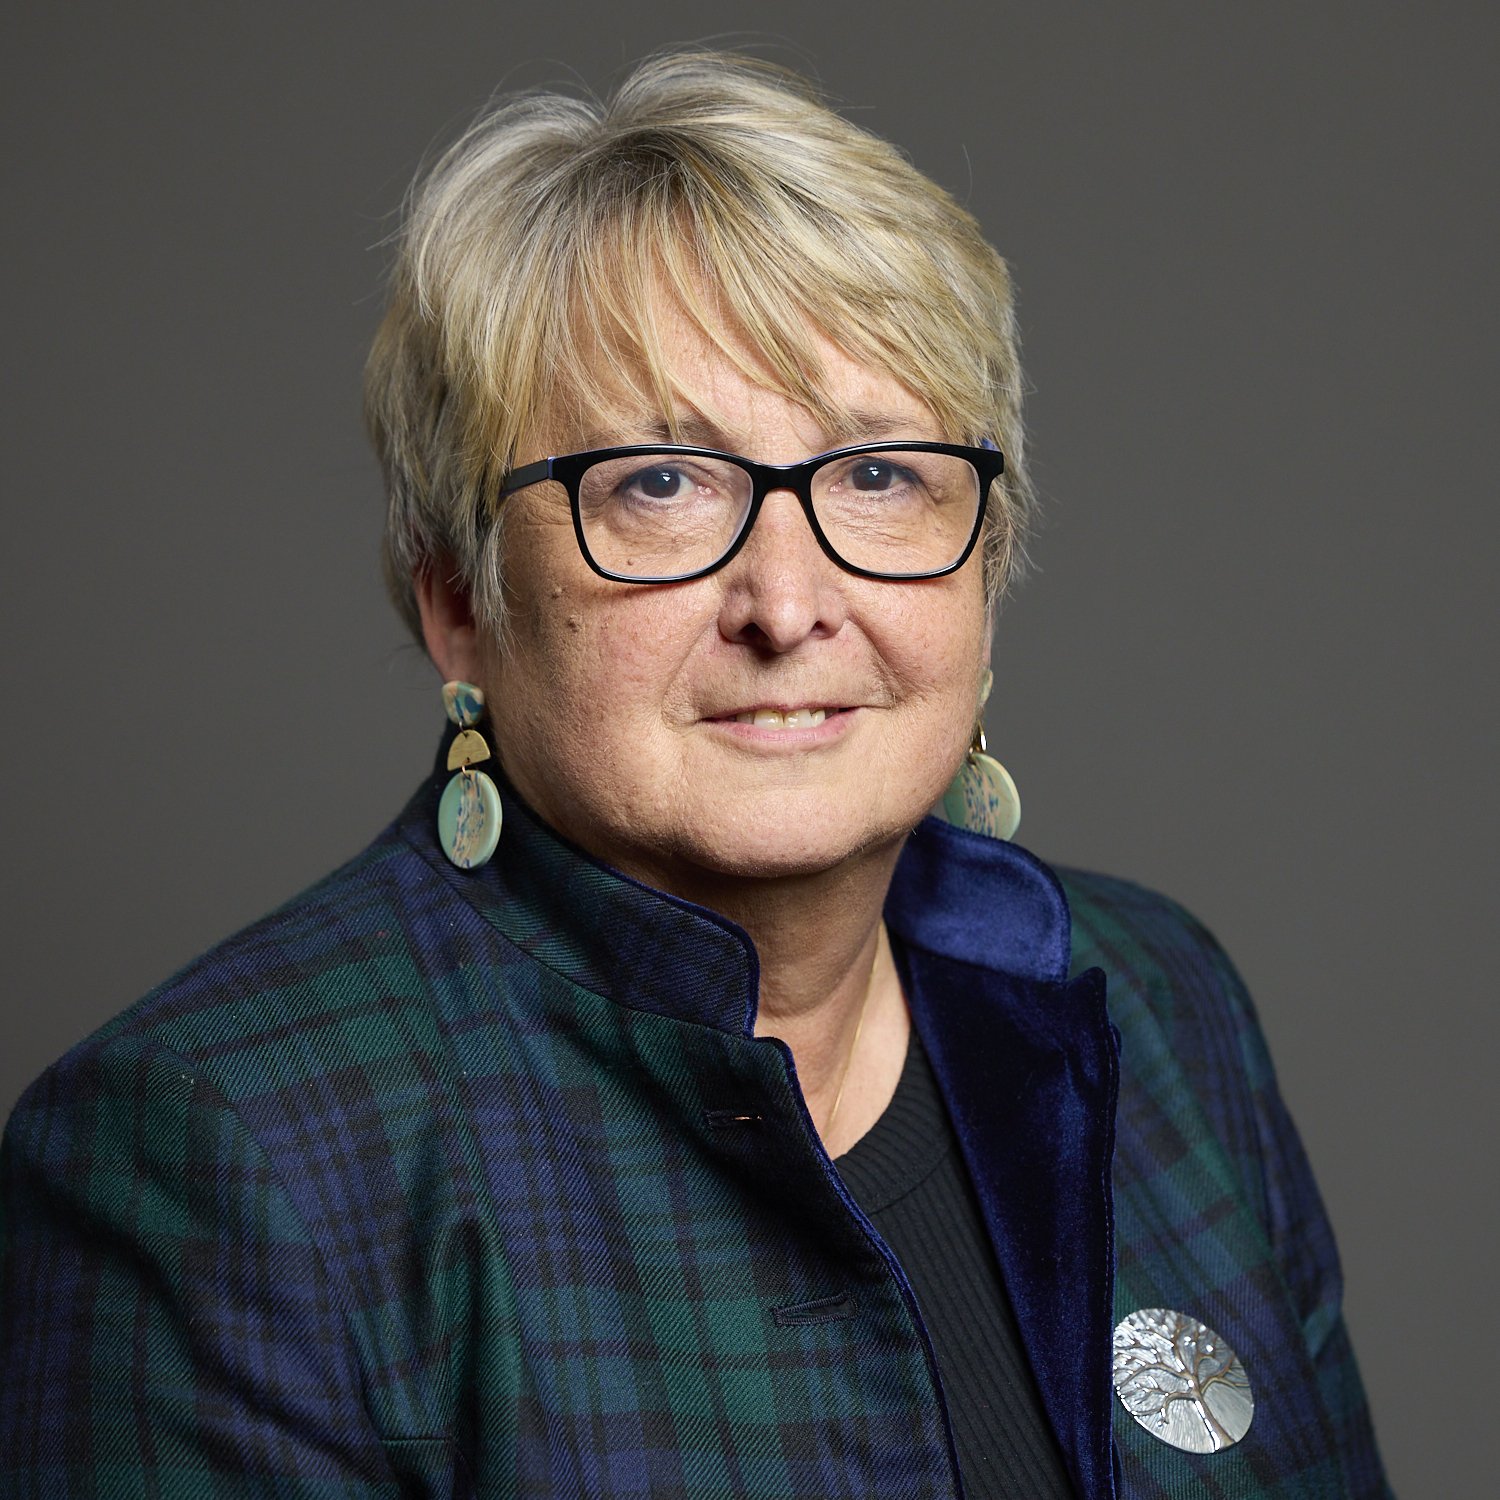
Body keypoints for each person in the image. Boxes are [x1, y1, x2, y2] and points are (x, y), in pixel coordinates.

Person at [0, 51, 1389, 1499]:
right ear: (456, 601)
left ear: (986, 566)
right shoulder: (224, 1158)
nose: (787, 604)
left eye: (878, 473)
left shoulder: (1161, 1008)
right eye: (660, 483)